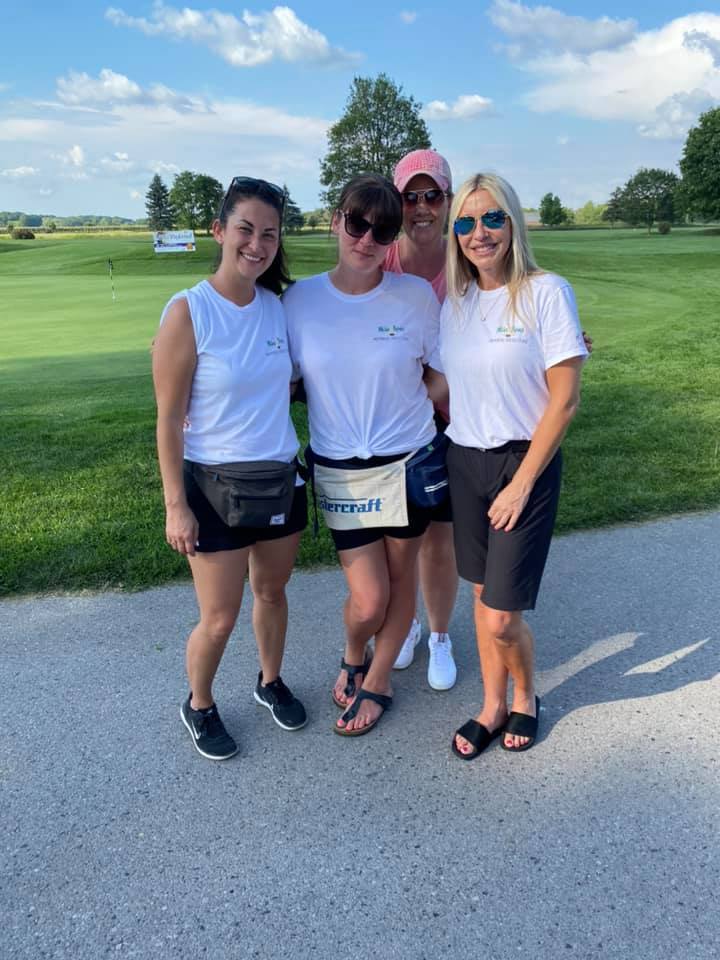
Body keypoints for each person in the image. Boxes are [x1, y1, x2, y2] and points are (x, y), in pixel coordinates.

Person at [283, 173, 448, 736]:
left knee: (401, 586)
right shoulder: (299, 300)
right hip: (341, 471)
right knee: (369, 599)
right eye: (357, 224)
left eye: (382, 230)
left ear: (393, 238)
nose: (366, 240)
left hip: (407, 462)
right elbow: (274, 375)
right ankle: (355, 650)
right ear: (336, 221)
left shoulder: (415, 297)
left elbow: (443, 374)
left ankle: (378, 682)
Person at [152, 176, 307, 762]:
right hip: (213, 489)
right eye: (245, 229)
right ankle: (199, 703)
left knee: (272, 592)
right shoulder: (188, 312)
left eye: (270, 234)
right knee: (218, 618)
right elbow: (169, 420)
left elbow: (290, 382)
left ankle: (270, 681)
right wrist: (176, 505)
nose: (257, 244)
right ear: (219, 231)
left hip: (280, 481)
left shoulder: (277, 309)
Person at [441, 173, 588, 760]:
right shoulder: (455, 304)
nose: (480, 233)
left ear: (513, 223)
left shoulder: (547, 292)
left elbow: (565, 399)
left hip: (523, 466)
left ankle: (526, 696)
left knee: (502, 616)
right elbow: (439, 382)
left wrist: (522, 483)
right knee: (482, 598)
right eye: (466, 222)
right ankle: (491, 705)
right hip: (464, 461)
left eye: (492, 218)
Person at [383, 149, 458, 691]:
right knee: (400, 539)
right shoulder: (380, 260)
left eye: (433, 195)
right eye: (411, 197)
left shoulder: (470, 258)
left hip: (455, 423)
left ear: (448, 199)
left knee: (439, 539)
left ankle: (439, 635)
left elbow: (517, 309)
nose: (423, 207)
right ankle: (404, 623)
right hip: (398, 424)